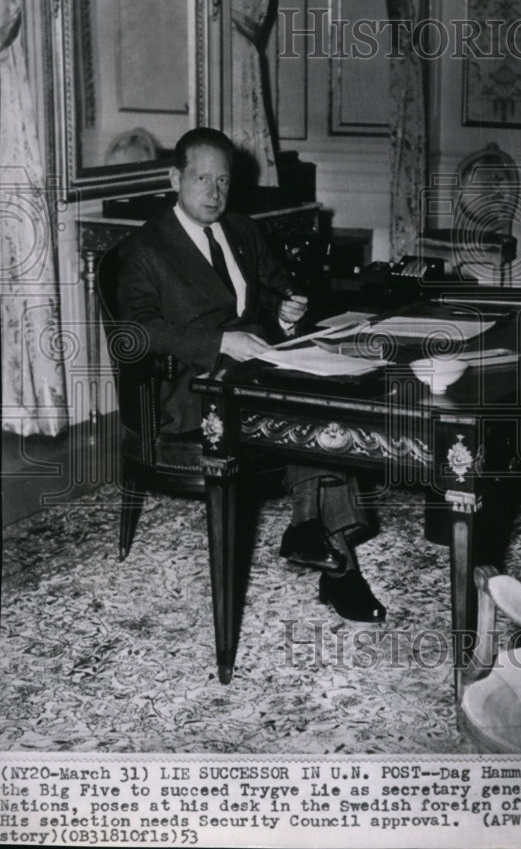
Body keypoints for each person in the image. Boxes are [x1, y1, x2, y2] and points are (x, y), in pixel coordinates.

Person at [117, 127, 385, 622]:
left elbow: (274, 295)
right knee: (301, 400)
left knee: (324, 395)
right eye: (202, 179)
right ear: (174, 177)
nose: (214, 192)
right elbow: (136, 330)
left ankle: (315, 534)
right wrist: (220, 341)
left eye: (223, 180)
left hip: (255, 372)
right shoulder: (147, 247)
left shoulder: (241, 230)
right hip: (190, 388)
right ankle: (336, 564)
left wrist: (287, 314)